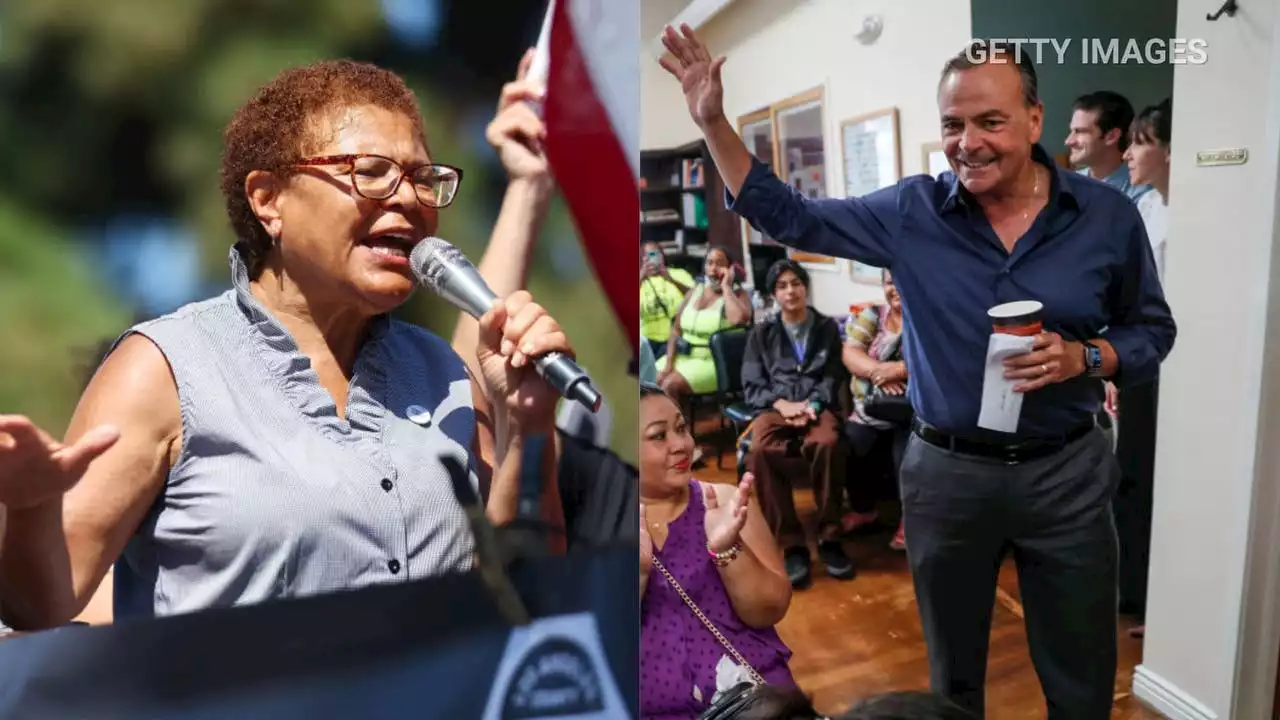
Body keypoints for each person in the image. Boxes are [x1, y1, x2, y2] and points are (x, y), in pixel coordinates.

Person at [658, 28, 1175, 719]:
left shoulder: (1105, 216)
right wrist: (711, 121)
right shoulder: (913, 211)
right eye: (954, 125)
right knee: (951, 681)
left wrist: (1087, 356)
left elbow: (1151, 331)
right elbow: (786, 215)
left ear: (1034, 119)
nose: (970, 141)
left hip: (1067, 474)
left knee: (1081, 677)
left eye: (991, 121)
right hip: (948, 476)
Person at [0, 58, 579, 630]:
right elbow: (42, 603)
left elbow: (523, 597)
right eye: (370, 171)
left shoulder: (447, 376)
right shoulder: (165, 370)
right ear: (268, 200)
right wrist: (27, 509)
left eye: (424, 179)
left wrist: (529, 424)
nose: (408, 198)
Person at [639, 384, 794, 720]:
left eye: (681, 428)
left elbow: (770, 609)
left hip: (752, 701)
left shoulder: (725, 502)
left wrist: (727, 550)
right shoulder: (596, 526)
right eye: (658, 436)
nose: (681, 445)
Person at [741, 259, 850, 587]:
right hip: (776, 406)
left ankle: (830, 537)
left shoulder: (826, 327)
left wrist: (813, 404)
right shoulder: (762, 333)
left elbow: (833, 374)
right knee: (759, 451)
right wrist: (782, 404)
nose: (791, 291)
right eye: (783, 286)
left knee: (827, 443)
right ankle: (792, 546)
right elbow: (752, 382)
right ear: (775, 293)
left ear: (805, 287)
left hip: (817, 404)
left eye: (796, 283)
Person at [1116, 98, 1173, 638]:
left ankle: (1163, 601)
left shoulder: (1191, 217)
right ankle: (1134, 593)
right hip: (1137, 366)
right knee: (1130, 480)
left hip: (1170, 369)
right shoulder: (1146, 209)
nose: (1129, 153)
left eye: (1141, 142)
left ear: (1172, 150)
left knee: (1162, 483)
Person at [842, 269, 911, 551]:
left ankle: (911, 520)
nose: (895, 288)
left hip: (910, 412)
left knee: (908, 458)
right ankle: (863, 509)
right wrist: (880, 372)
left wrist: (900, 370)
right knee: (848, 443)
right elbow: (850, 352)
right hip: (870, 408)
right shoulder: (872, 315)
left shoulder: (925, 317)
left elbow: (935, 360)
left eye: (901, 280)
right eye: (890, 282)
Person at [658, 247, 752, 402]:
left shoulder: (737, 294)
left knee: (670, 385)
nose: (713, 268)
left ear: (730, 269)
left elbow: (738, 319)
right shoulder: (695, 291)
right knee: (649, 379)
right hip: (683, 357)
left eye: (719, 263)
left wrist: (726, 287)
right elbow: (675, 330)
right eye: (710, 263)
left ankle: (679, 425)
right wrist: (669, 363)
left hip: (713, 363)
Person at [1065, 91, 1150, 200]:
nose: (1068, 141)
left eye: (1080, 131)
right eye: (1071, 131)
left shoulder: (1142, 195)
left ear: (1112, 136)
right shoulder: (1068, 186)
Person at [641, 241, 696, 360]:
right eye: (648, 256)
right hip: (649, 341)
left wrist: (670, 279)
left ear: (662, 256)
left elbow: (696, 296)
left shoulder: (680, 274)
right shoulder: (639, 282)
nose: (653, 259)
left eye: (655, 254)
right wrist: (641, 276)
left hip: (677, 338)